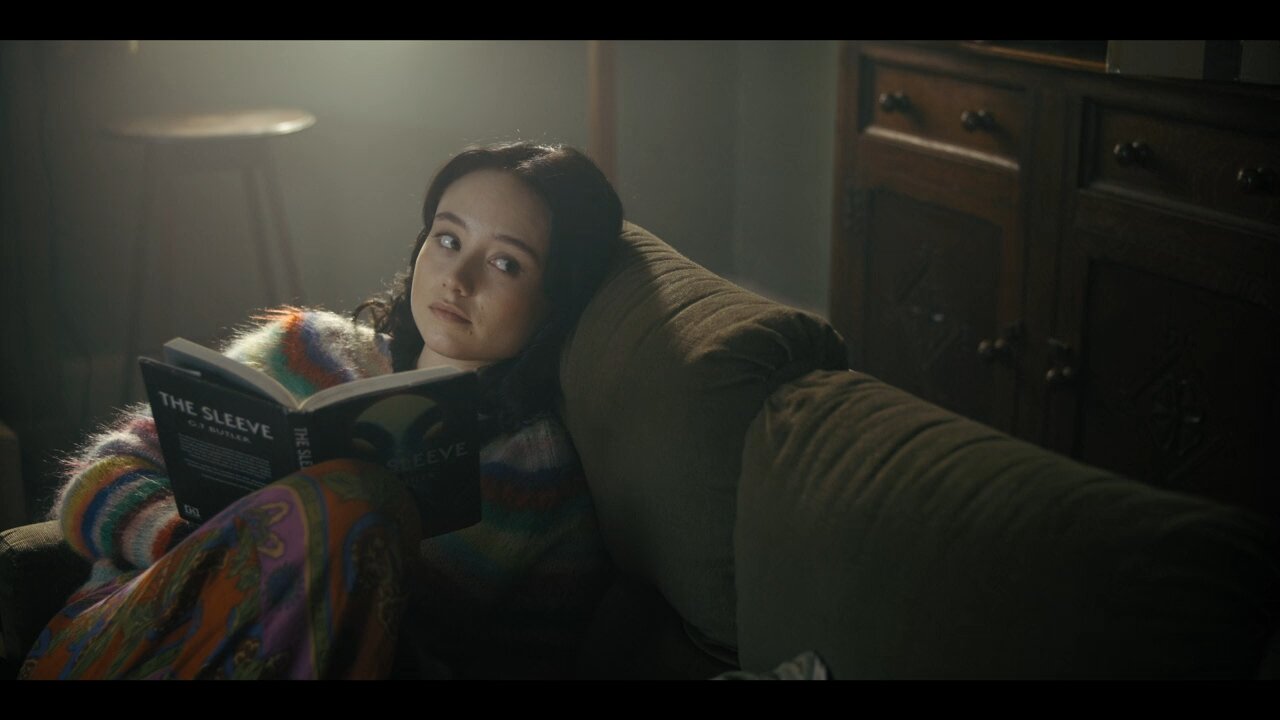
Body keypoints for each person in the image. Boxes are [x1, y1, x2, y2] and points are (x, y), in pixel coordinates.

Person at [19, 141, 624, 680]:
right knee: (347, 499)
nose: (457, 279)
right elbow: (94, 483)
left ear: (557, 299)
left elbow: (533, 663)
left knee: (360, 505)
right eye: (447, 239)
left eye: (505, 263)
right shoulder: (304, 349)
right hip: (130, 643)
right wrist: (221, 557)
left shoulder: (544, 485)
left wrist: (355, 602)